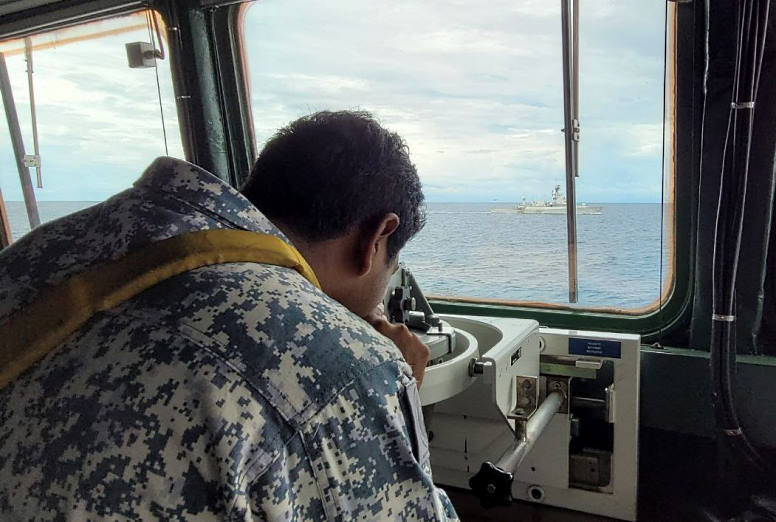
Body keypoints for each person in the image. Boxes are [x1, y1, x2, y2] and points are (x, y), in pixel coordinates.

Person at [0, 110, 458, 520]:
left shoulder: (43, 251)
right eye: (391, 264)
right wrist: (395, 391)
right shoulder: (344, 364)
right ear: (377, 238)